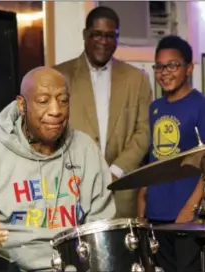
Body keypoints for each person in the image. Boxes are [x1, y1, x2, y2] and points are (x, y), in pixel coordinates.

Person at [0, 67, 115, 271]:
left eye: (63, 100)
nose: (56, 110)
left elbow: (102, 230)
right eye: (43, 101)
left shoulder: (85, 150)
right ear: (22, 105)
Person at [137, 35, 205, 272]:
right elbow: (153, 158)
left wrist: (190, 209)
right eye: (159, 66)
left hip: (189, 216)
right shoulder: (154, 108)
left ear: (188, 68)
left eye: (172, 65)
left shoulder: (203, 107)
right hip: (156, 214)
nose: (165, 72)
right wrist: (142, 199)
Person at [54, 6, 151, 218]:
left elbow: (143, 132)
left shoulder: (138, 79)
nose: (104, 41)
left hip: (121, 190)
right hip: (72, 190)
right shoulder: (59, 75)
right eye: (97, 34)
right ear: (85, 35)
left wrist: (116, 171)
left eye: (110, 35)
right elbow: (53, 129)